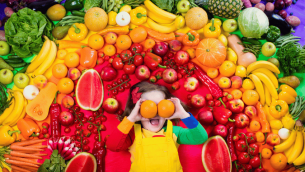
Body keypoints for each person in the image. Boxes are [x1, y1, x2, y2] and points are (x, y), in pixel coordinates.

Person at [106, 81, 208, 172]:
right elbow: (112, 146)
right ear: (136, 109)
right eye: (147, 105)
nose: (154, 111)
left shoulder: (174, 131)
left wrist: (183, 115)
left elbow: (200, 138)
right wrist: (131, 119)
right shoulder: (133, 134)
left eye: (161, 105)